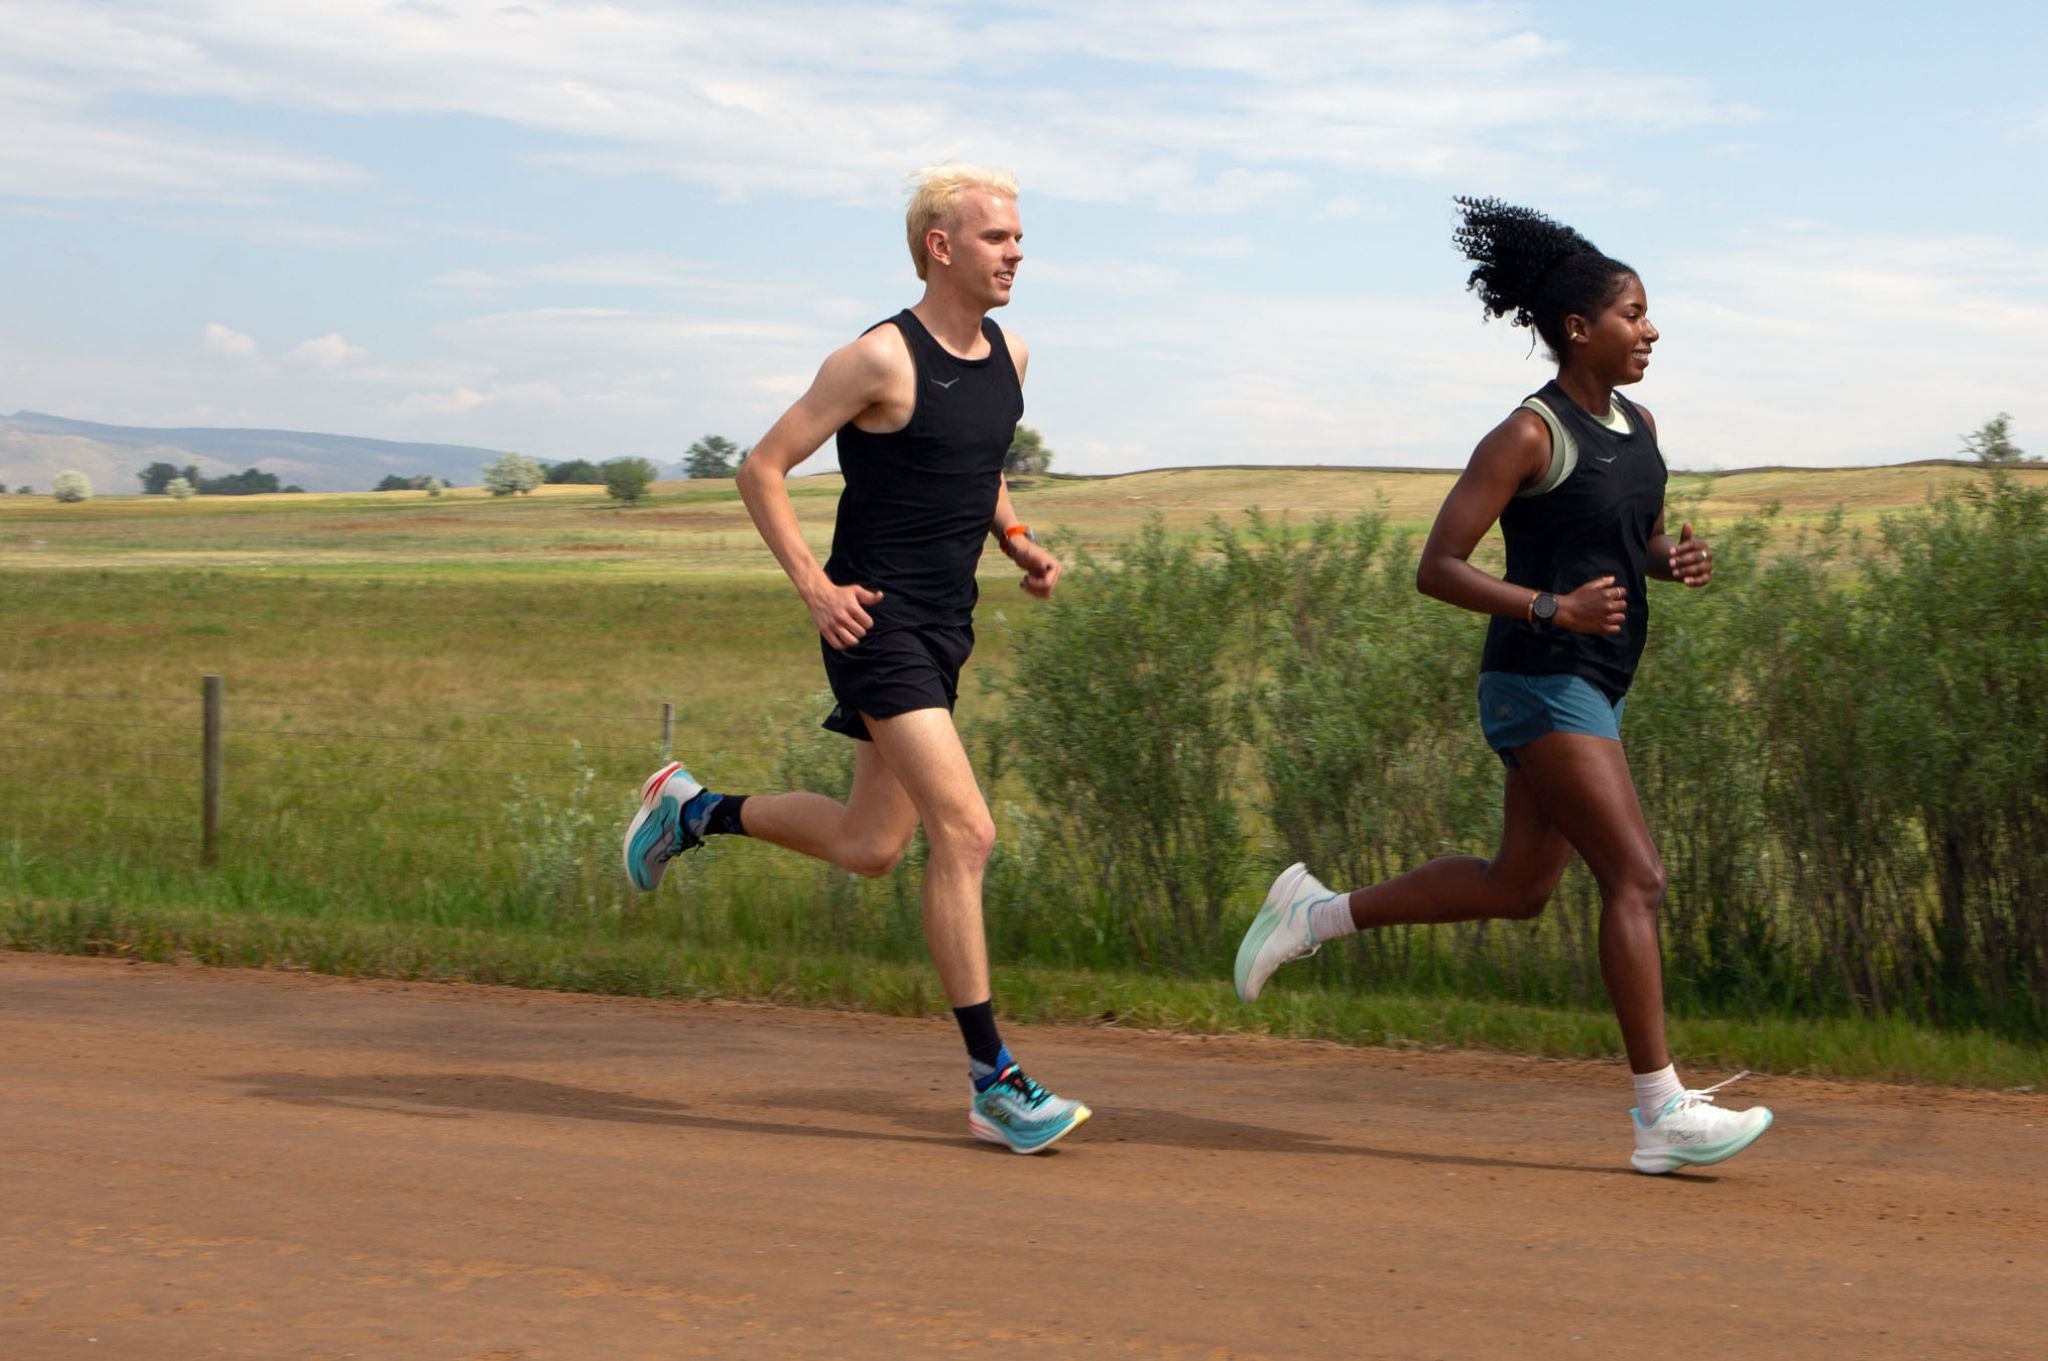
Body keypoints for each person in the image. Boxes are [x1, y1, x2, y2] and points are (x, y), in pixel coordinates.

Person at [1232, 197, 1773, 1175]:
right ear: (1578, 328)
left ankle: (1312, 913)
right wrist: (1549, 610)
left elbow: (1620, 537)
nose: (1649, 329)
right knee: (1636, 876)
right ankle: (1658, 1108)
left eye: (1647, 314)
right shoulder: (1526, 433)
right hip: (1537, 677)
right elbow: (1436, 565)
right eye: (1632, 313)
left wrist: (1666, 559)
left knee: (1517, 886)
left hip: (1594, 681)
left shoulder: (1638, 424)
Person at [623, 164, 1089, 1155]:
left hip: (945, 625)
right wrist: (813, 586)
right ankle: (992, 1076)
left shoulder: (1011, 354)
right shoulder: (876, 358)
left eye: (1018, 238)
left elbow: (975, 456)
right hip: (872, 622)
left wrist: (1012, 537)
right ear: (941, 245)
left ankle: (693, 809)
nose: (1015, 252)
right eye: (997, 237)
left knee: (870, 844)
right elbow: (761, 466)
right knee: (965, 833)